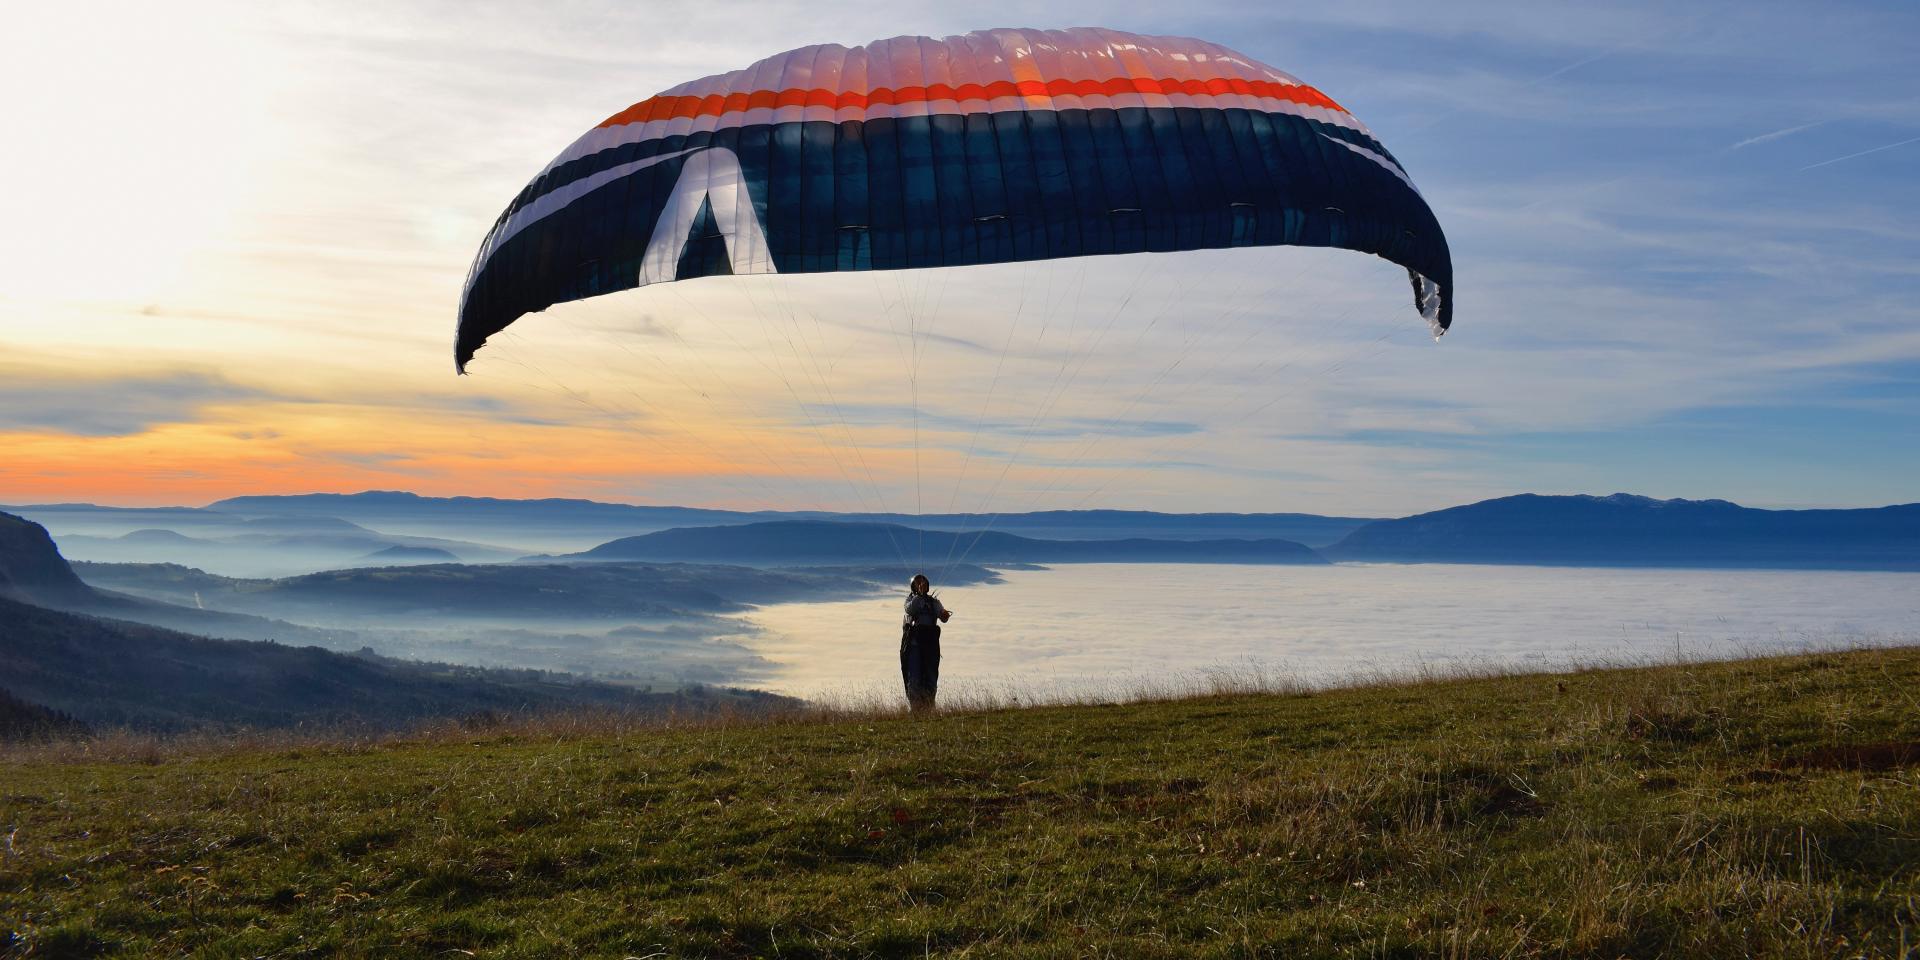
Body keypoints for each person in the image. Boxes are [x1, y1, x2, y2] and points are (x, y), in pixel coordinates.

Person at [900, 573, 951, 713]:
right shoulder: (910, 600)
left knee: (930, 677)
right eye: (918, 583)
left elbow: (942, 616)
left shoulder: (934, 602)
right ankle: (916, 709)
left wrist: (944, 615)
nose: (922, 585)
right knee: (914, 677)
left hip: (930, 646)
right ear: (913, 587)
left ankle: (929, 707)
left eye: (923, 583)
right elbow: (910, 609)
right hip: (914, 646)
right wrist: (919, 596)